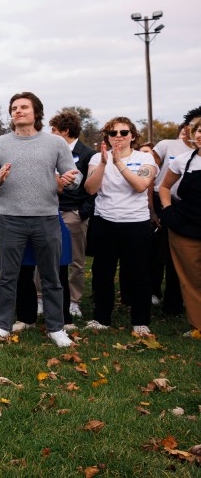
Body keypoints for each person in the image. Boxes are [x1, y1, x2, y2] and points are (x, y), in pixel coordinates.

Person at [0, 92, 81, 348]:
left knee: (52, 278)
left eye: (24, 107)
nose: (18, 111)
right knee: (8, 278)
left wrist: (70, 180)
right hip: (11, 220)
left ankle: (56, 328)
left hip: (46, 220)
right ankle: (1, 326)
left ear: (36, 113)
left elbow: (75, 178)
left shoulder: (55, 143)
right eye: (14, 108)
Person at [83, 117, 158, 335]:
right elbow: (90, 189)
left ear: (132, 136)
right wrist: (105, 163)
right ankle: (101, 318)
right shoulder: (98, 158)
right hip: (105, 222)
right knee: (101, 273)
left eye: (124, 133)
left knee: (139, 273)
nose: (118, 137)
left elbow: (141, 186)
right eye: (113, 133)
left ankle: (140, 320)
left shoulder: (144, 157)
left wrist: (119, 163)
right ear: (106, 136)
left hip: (136, 223)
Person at [150, 106, 201, 313]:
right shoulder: (182, 159)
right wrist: (168, 211)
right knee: (188, 274)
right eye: (198, 129)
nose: (200, 134)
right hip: (184, 221)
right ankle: (193, 319)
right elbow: (162, 185)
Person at [48, 111, 96, 319]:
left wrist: (81, 212)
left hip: (73, 213)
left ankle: (74, 301)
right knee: (45, 258)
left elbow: (92, 187)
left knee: (75, 260)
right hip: (48, 211)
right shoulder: (48, 151)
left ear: (65, 131)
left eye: (54, 130)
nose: (50, 134)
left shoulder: (87, 153)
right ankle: (41, 297)